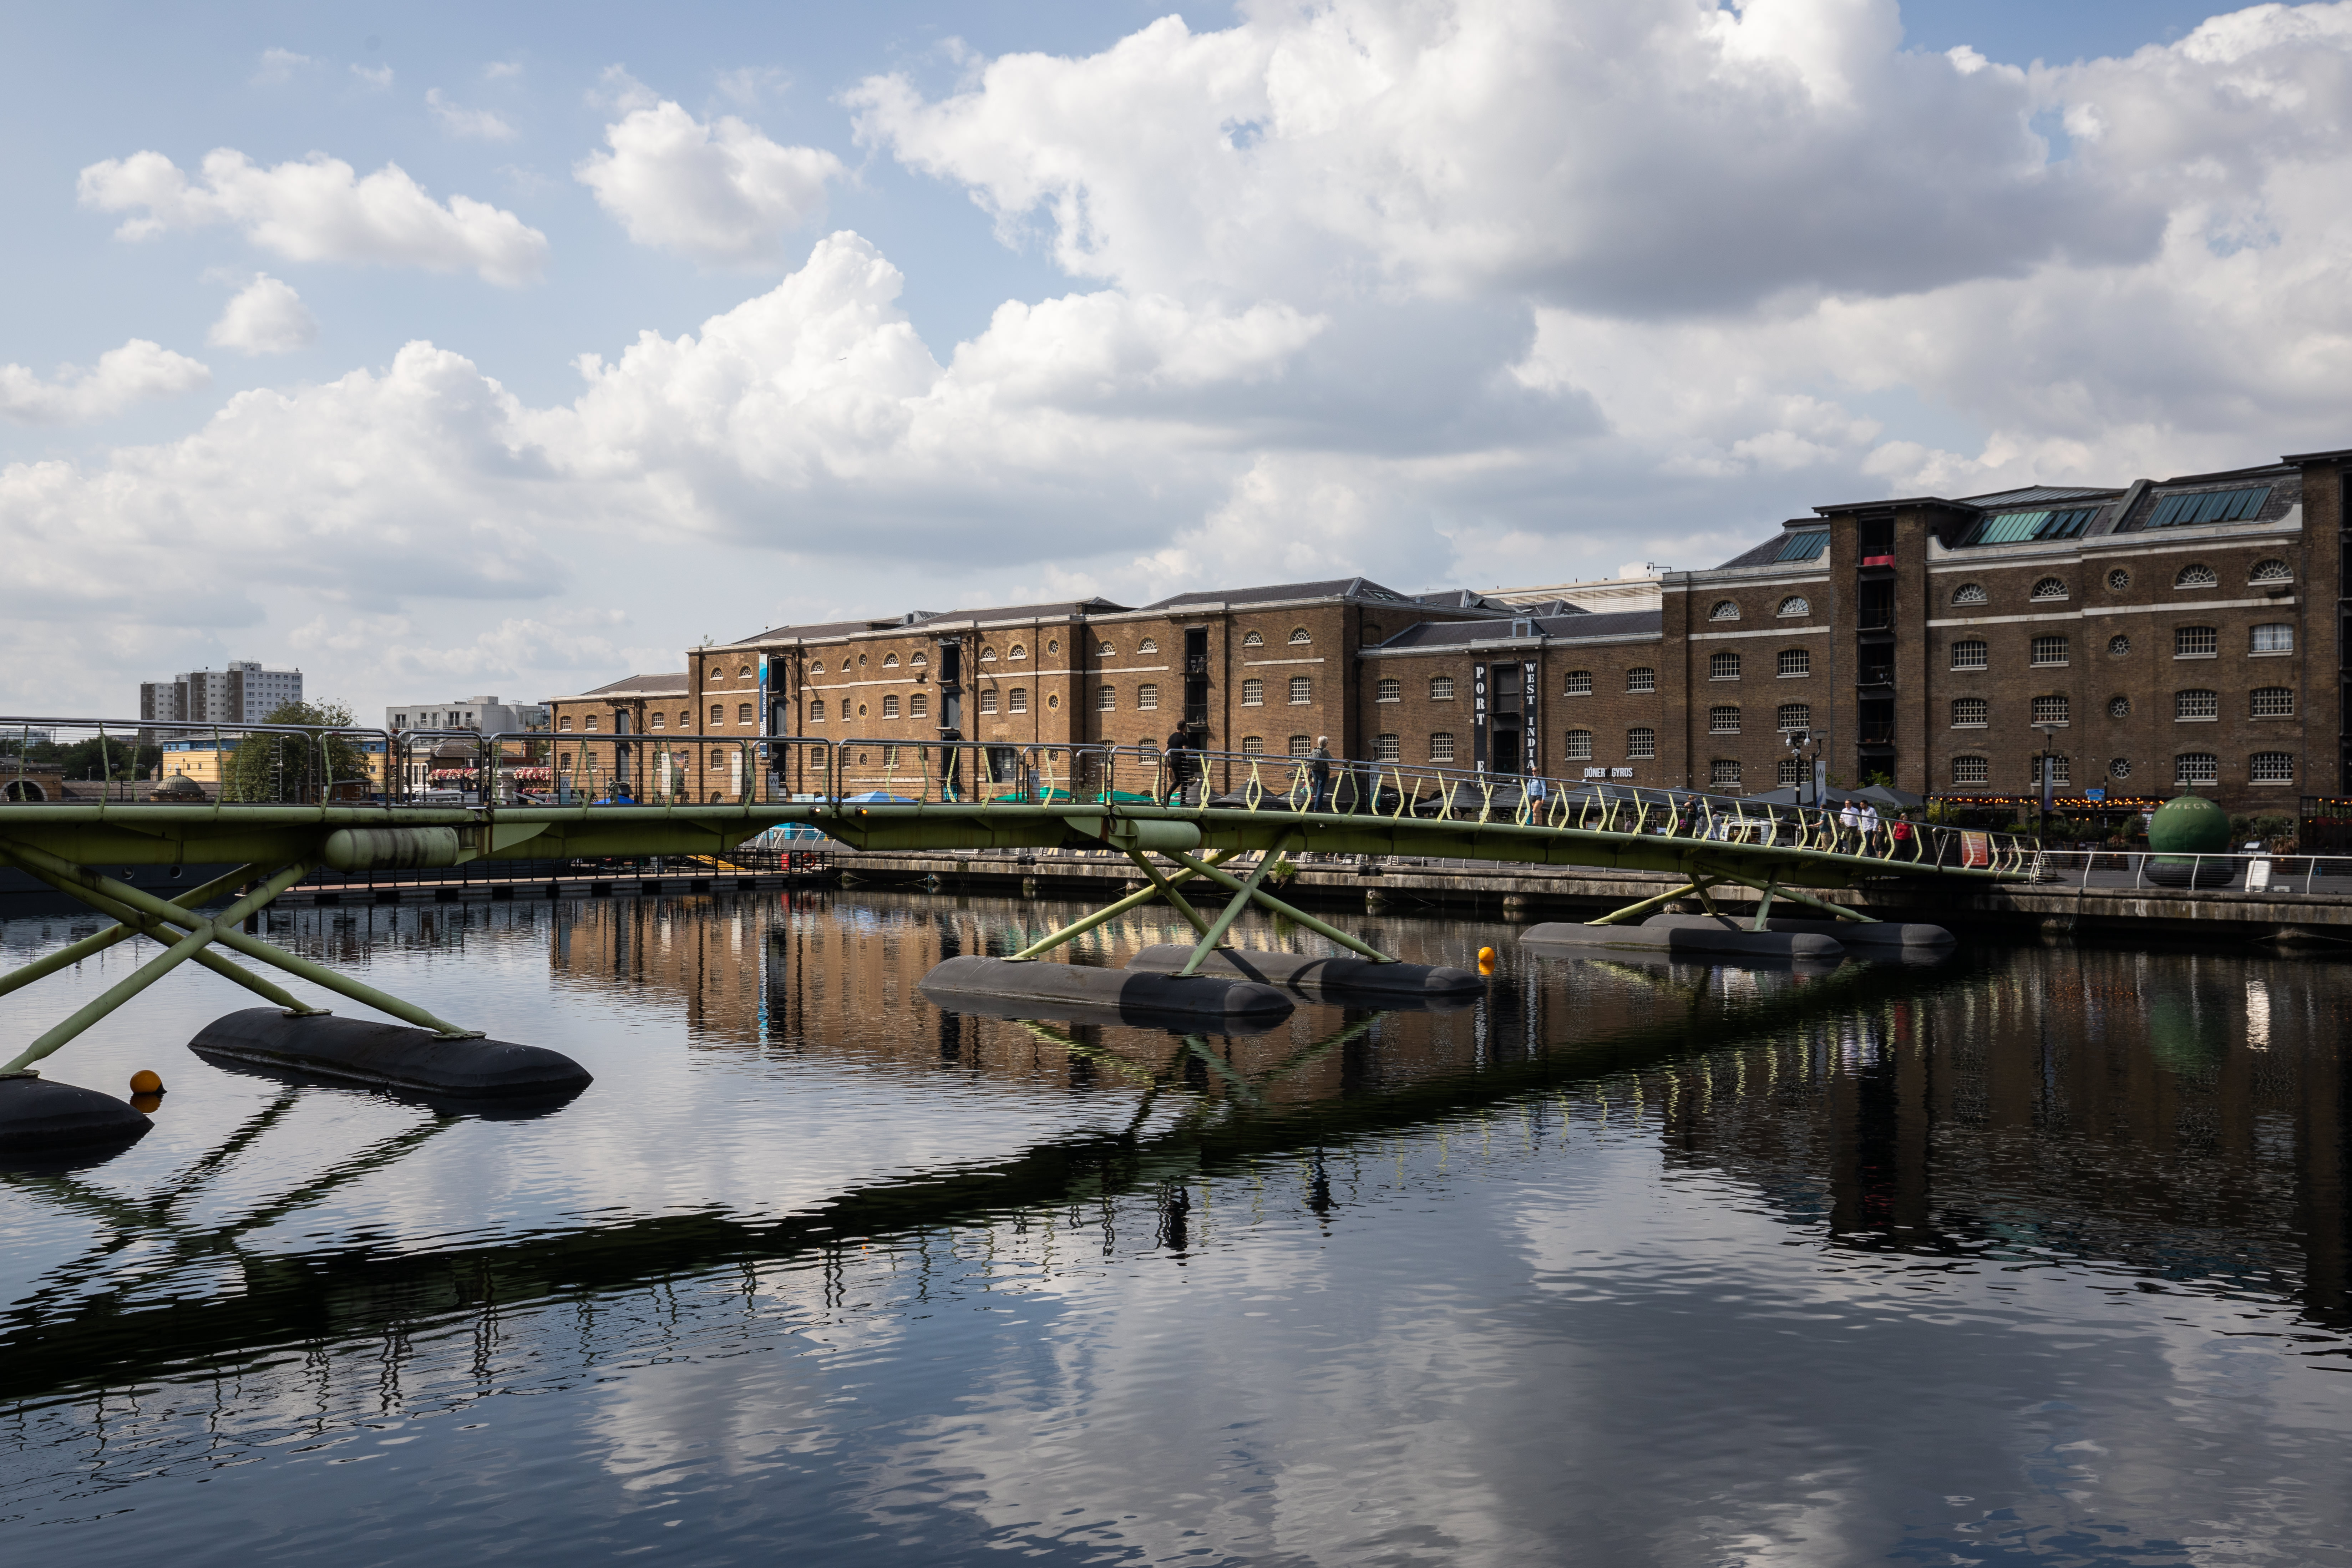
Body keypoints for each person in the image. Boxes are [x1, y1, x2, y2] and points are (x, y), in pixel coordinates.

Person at [1163, 726, 1191, 806]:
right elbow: (1186, 751)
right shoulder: (1183, 738)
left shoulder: (1171, 737)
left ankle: (1168, 794)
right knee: (1184, 781)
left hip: (1174, 762)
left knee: (1178, 780)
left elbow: (1166, 750)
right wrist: (1192, 752)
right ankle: (1183, 802)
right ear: (1184, 728)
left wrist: (1168, 762)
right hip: (1181, 762)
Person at [1309, 736, 1333, 812]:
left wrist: (1308, 774)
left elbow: (1310, 762)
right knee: (1320, 790)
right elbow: (1333, 761)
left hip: (1314, 772)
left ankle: (1320, 808)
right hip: (1322, 772)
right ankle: (1316, 808)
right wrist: (1344, 760)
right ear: (1325, 744)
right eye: (1327, 743)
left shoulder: (1314, 750)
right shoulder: (1325, 751)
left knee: (1319, 790)